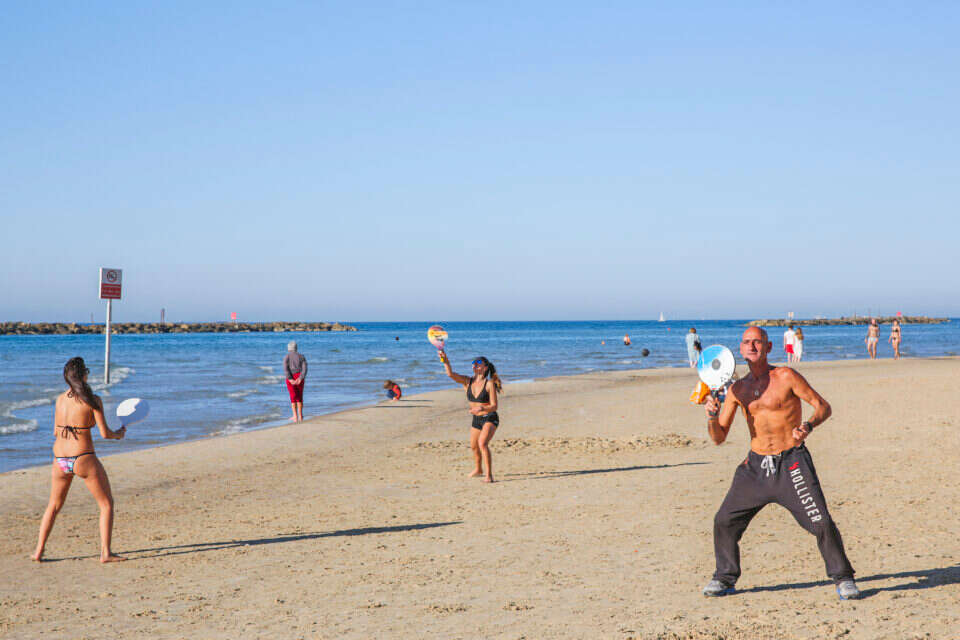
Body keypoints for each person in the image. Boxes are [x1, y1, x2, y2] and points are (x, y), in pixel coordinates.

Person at [701, 327, 859, 600]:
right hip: (755, 467)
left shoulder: (786, 376)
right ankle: (724, 577)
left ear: (769, 347)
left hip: (791, 463)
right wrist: (712, 418)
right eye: (747, 342)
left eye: (757, 342)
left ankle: (843, 578)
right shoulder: (737, 389)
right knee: (724, 521)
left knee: (820, 522)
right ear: (740, 349)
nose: (752, 346)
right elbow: (718, 438)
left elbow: (823, 406)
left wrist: (808, 426)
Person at [32, 357, 127, 563]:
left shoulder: (59, 399)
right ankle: (106, 553)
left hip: (59, 459)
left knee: (53, 505)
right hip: (82, 457)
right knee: (106, 504)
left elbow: (55, 431)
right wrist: (119, 434)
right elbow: (105, 433)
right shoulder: (93, 400)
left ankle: (38, 551)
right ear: (84, 375)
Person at [438, 350, 502, 483]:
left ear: (485, 368)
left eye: (478, 363)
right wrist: (445, 361)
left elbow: (494, 406)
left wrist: (482, 408)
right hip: (476, 419)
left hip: (490, 417)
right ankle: (478, 469)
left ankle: (489, 475)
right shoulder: (467, 381)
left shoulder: (489, 384)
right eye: (473, 363)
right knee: (474, 446)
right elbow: (450, 374)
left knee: (482, 443)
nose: (475, 365)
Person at [283, 341, 307, 422]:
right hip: (299, 376)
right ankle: (300, 416)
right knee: (300, 396)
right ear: (296, 348)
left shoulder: (287, 357)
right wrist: (301, 378)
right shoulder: (301, 356)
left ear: (289, 348)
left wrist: (290, 379)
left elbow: (285, 369)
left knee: (293, 397)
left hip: (291, 376)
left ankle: (295, 416)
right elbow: (304, 368)